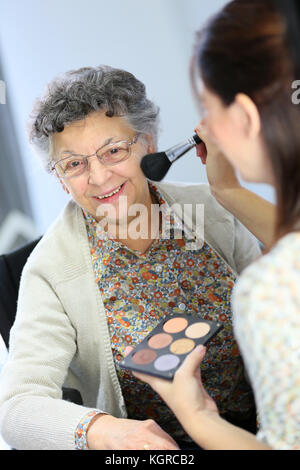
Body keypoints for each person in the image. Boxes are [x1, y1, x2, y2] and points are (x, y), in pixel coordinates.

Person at [0, 65, 261, 450]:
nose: (100, 176)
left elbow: (285, 321)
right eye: (74, 164)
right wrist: (107, 432)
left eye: (114, 151)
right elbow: (17, 408)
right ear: (58, 177)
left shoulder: (213, 210)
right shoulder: (49, 271)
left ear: (149, 143)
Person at [134, 0, 300, 450]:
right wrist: (227, 191)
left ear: (244, 116)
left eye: (210, 108)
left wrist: (198, 417)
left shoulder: (272, 289)